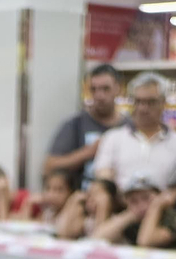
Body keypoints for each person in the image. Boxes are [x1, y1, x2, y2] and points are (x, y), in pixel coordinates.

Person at [92, 72, 176, 196]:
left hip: (163, 209)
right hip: (120, 206)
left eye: (151, 102)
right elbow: (102, 175)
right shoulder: (113, 138)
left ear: (163, 103)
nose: (143, 108)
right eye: (138, 101)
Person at [44, 64, 124, 192]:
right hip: (83, 199)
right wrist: (88, 152)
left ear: (118, 88)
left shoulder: (129, 127)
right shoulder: (76, 124)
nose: (99, 95)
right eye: (94, 89)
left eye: (105, 89)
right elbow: (49, 167)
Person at [91, 179, 176, 250]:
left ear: (159, 196)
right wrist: (130, 214)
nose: (141, 205)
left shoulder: (172, 218)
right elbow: (97, 238)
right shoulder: (132, 220)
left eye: (146, 198)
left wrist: (156, 207)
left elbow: (145, 242)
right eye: (134, 201)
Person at [55, 178, 120, 240]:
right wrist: (72, 201)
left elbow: (99, 238)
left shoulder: (116, 220)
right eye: (89, 194)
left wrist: (103, 208)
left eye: (96, 194)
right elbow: (64, 234)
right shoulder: (88, 220)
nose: (90, 198)